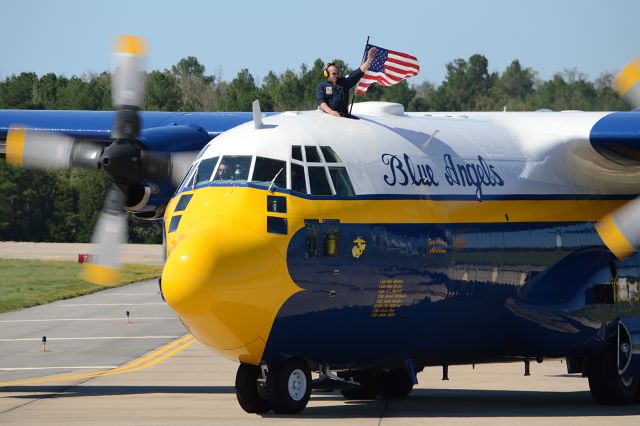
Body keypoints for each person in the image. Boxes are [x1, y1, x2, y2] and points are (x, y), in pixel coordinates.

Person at [315, 47, 377, 118]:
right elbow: (321, 102)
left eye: (337, 73)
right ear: (327, 74)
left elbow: (358, 72)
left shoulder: (344, 82)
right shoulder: (321, 86)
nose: (336, 75)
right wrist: (331, 112)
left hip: (345, 118)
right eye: (334, 73)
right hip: (329, 118)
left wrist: (369, 60)